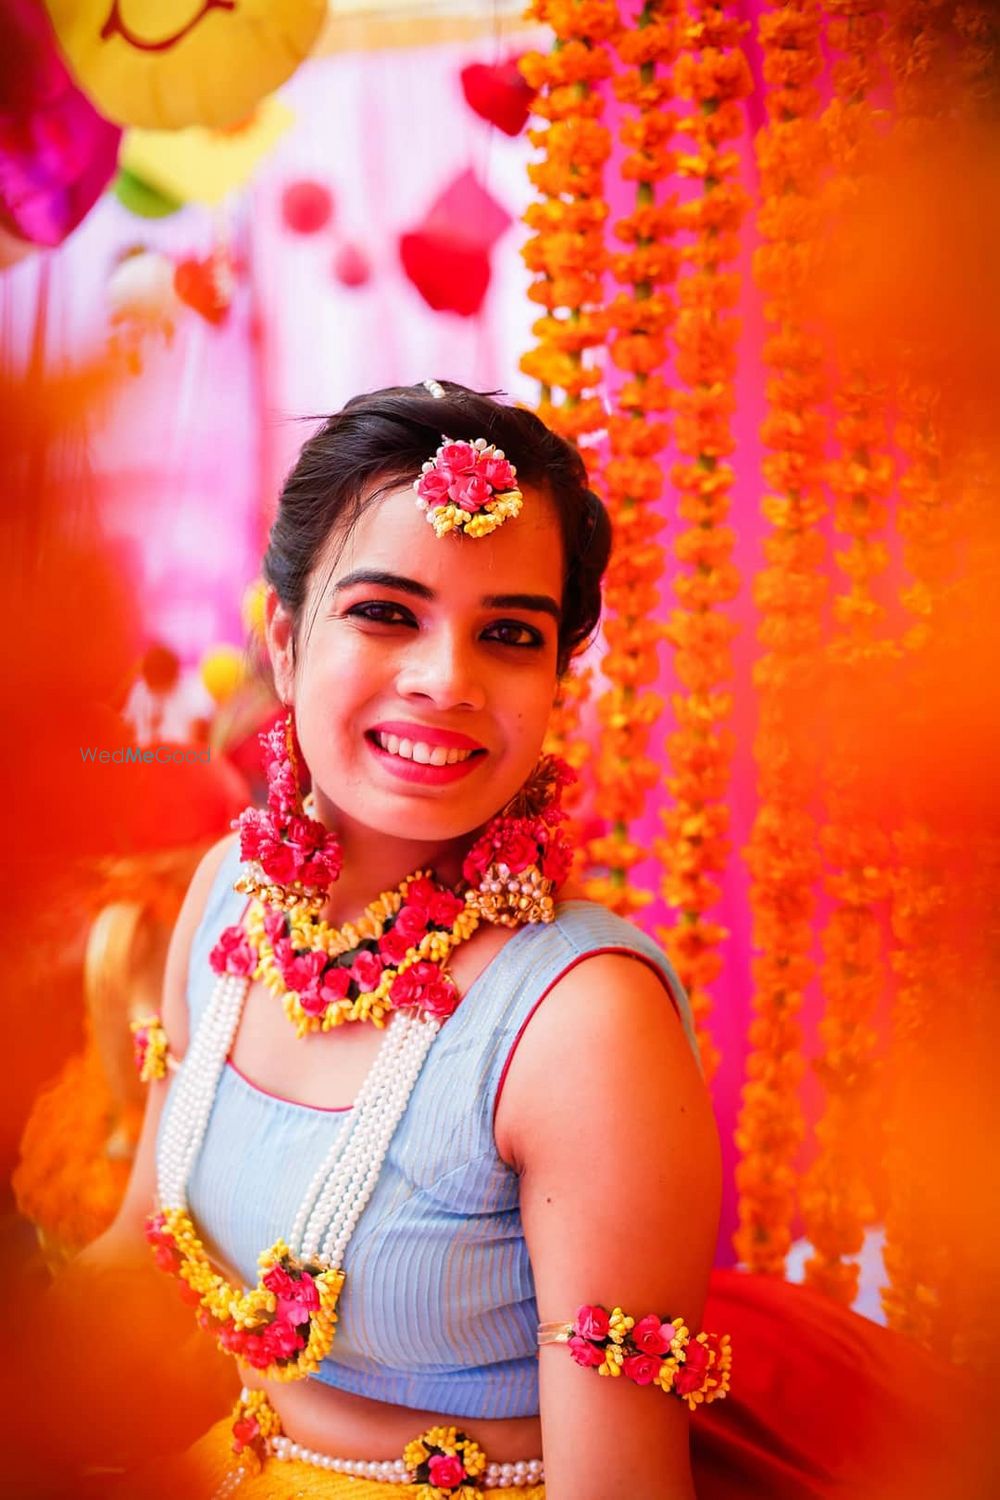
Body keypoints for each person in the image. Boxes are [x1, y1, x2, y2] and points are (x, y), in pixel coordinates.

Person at [89, 382, 988, 1500]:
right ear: (282, 632)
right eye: (385, 611)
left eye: (508, 635)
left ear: (557, 681)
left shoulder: (578, 1022)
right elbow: (132, 1267)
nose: (445, 681)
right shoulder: (228, 896)